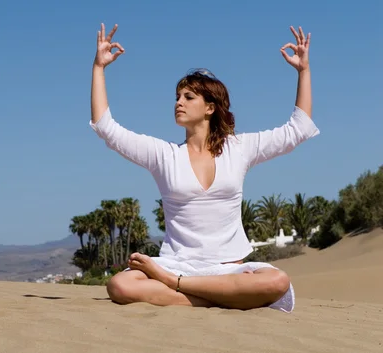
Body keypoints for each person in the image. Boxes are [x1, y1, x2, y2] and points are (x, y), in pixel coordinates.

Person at [89, 23, 319, 313]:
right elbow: (106, 128)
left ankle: (178, 287)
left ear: (210, 107)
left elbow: (298, 129)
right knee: (119, 286)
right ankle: (216, 297)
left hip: (226, 269)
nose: (178, 103)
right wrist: (99, 67)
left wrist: (304, 71)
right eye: (177, 97)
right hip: (176, 263)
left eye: (188, 97)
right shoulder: (164, 155)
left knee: (277, 281)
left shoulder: (239, 149)